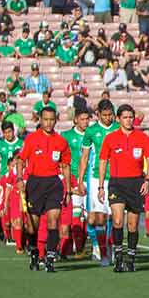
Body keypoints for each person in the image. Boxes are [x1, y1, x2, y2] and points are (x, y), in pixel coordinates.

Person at [98, 104, 149, 273]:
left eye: (131, 117)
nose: (128, 120)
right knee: (117, 221)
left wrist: (147, 180)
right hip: (116, 183)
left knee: (132, 224)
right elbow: (103, 162)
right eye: (125, 117)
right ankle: (118, 256)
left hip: (136, 183)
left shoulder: (143, 138)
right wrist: (101, 186)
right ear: (118, 119)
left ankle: (130, 258)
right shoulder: (110, 138)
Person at [18, 107, 72, 272]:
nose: (48, 123)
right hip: (35, 184)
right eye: (45, 119)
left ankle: (49, 257)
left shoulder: (61, 141)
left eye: (51, 119)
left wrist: (68, 190)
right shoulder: (32, 139)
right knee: (31, 226)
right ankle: (34, 251)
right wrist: (20, 179)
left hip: (54, 184)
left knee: (53, 220)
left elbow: (66, 166)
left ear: (56, 120)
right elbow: (21, 160)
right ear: (40, 120)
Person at [84, 100, 120, 266]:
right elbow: (84, 157)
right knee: (99, 218)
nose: (107, 118)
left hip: (116, 177)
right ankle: (102, 252)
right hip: (96, 178)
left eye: (110, 115)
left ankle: (111, 247)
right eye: (104, 115)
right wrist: (80, 180)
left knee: (114, 216)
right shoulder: (91, 131)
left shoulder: (118, 129)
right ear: (98, 114)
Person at [61, 107, 92, 258]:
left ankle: (81, 244)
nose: (86, 122)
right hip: (73, 179)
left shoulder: (93, 134)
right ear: (75, 120)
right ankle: (77, 248)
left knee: (89, 217)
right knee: (75, 214)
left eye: (87, 119)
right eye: (82, 119)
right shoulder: (66, 136)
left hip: (90, 179)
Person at [0, 121, 23, 244]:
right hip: (2, 181)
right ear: (2, 133)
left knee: (16, 209)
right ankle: (3, 231)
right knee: (1, 210)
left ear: (13, 131)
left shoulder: (21, 143)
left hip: (16, 179)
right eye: (5, 132)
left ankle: (16, 237)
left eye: (9, 131)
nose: (8, 134)